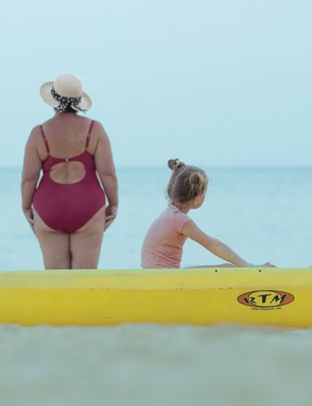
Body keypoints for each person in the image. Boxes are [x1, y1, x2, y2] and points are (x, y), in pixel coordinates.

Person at [21, 73, 118, 269]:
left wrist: (26, 206)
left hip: (49, 208)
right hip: (88, 206)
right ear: (79, 101)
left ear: (53, 100)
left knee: (56, 282)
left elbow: (28, 179)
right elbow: (107, 173)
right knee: (84, 280)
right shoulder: (94, 129)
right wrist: (113, 203)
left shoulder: (39, 133)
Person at [141, 159, 273, 269]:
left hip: (156, 275)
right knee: (227, 269)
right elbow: (213, 245)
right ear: (197, 199)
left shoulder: (170, 214)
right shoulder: (180, 220)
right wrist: (248, 266)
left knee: (223, 267)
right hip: (163, 279)